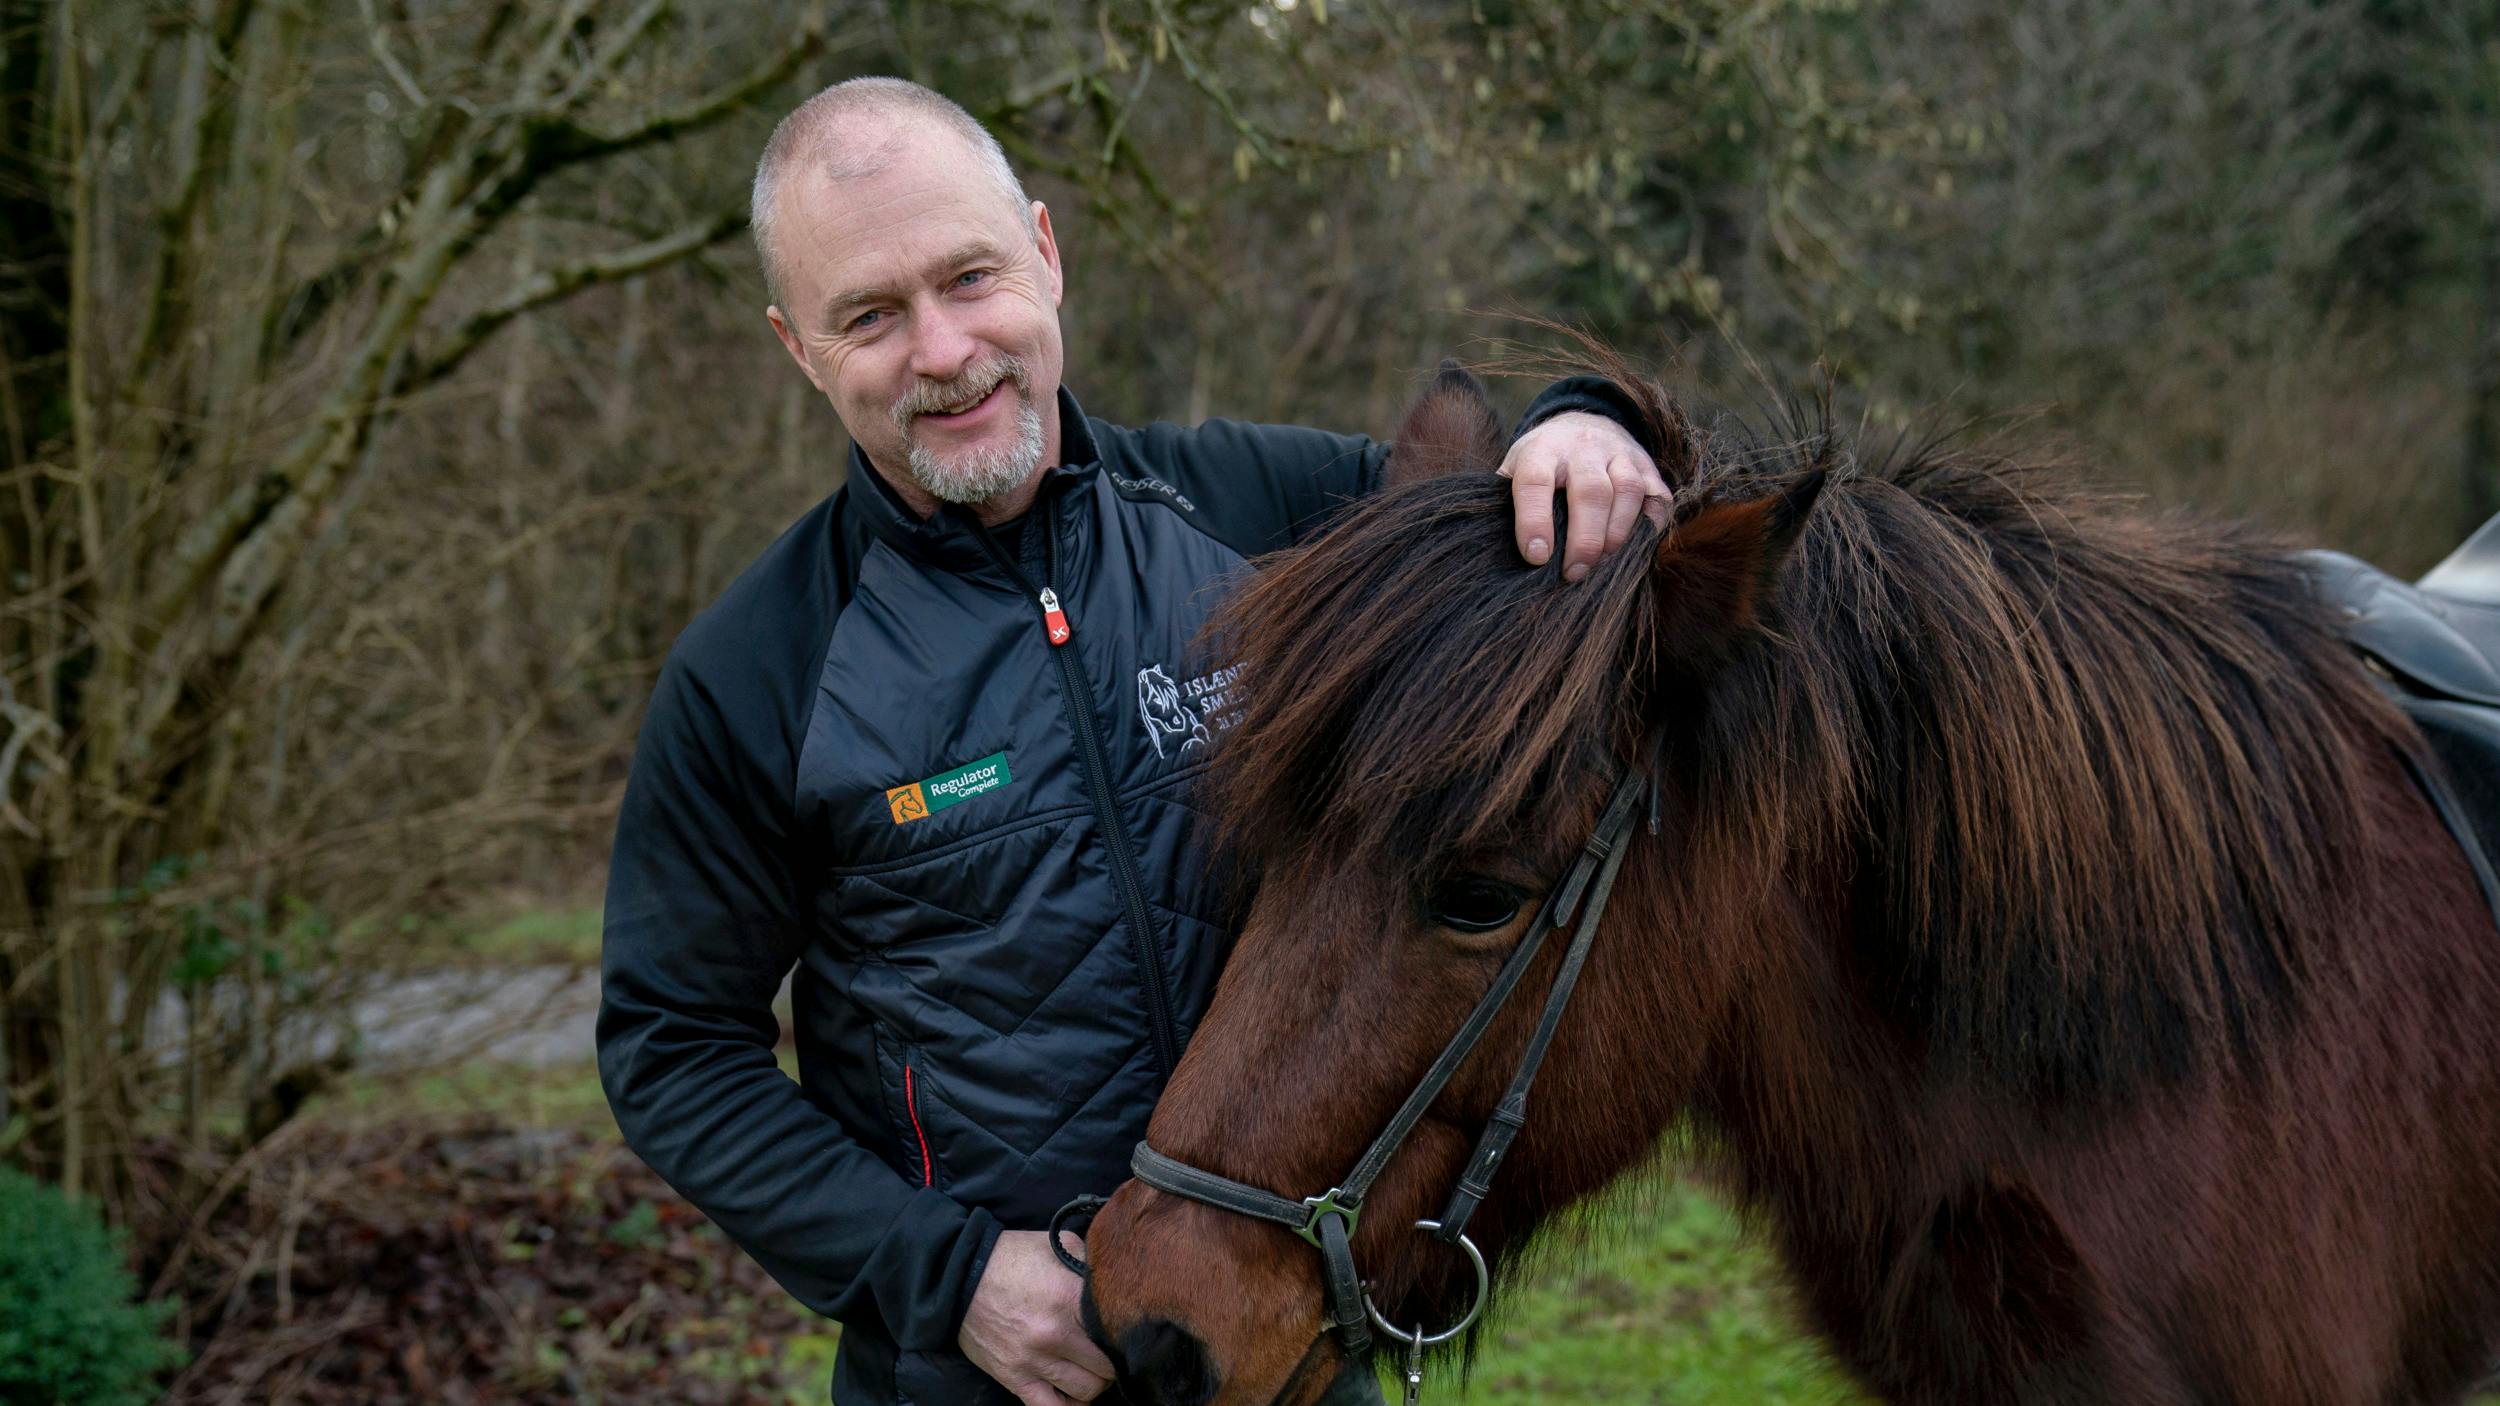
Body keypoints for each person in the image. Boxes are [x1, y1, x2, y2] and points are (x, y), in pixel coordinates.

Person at [594, 77, 1668, 1406]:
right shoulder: (758, 671)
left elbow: (1523, 508)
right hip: (991, 1379)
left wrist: (1585, 414)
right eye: (870, 315)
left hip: (1278, 1347)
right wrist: (946, 1276)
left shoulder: (1266, 516)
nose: (941, 350)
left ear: (1046, 253)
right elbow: (673, 1049)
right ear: (796, 347)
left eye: (970, 277)